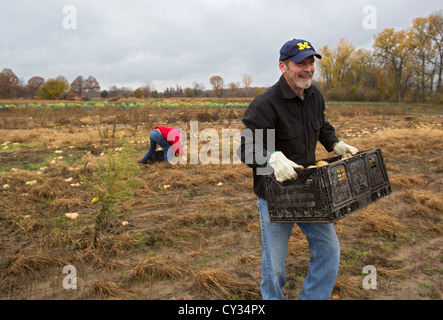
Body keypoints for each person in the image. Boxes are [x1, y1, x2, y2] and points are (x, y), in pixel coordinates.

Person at [237, 38, 358, 300]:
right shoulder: (265, 103)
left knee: (329, 249)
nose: (308, 69)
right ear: (283, 66)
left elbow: (321, 125)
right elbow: (246, 148)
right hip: (274, 195)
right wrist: (271, 158)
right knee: (275, 266)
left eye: (311, 62)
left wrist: (334, 143)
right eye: (300, 63)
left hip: (309, 189)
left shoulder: (314, 96)